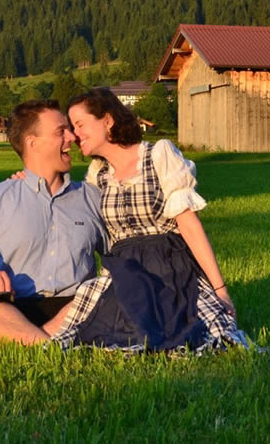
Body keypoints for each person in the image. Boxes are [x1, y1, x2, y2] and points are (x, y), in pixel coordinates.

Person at [51, 87, 243, 352]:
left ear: (107, 120)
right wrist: (27, 181)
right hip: (124, 271)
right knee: (92, 328)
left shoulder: (159, 156)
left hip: (170, 269)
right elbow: (70, 208)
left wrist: (219, 288)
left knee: (197, 332)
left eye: (80, 124)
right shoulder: (98, 174)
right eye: (72, 127)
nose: (74, 135)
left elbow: (189, 225)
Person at [0, 100, 106, 345]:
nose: (72, 137)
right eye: (61, 131)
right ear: (32, 142)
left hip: (74, 307)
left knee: (113, 290)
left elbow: (119, 260)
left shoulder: (91, 197)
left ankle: (16, 340)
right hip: (10, 307)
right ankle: (45, 342)